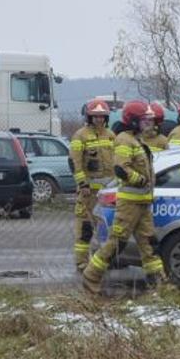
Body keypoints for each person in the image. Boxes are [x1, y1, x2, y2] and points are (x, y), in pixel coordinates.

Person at [82, 102, 165, 294]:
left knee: (149, 243)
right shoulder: (124, 140)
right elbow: (121, 168)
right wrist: (141, 180)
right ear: (134, 121)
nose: (148, 124)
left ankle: (159, 282)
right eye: (144, 120)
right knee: (117, 242)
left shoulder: (136, 140)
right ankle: (91, 276)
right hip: (129, 204)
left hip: (143, 203)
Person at [69, 99, 117, 270]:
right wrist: (83, 184)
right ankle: (82, 262)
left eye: (102, 116)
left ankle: (104, 260)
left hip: (109, 191)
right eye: (95, 117)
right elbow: (75, 162)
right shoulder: (80, 135)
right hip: (88, 192)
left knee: (107, 227)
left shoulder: (111, 135)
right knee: (85, 227)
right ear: (89, 117)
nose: (99, 120)